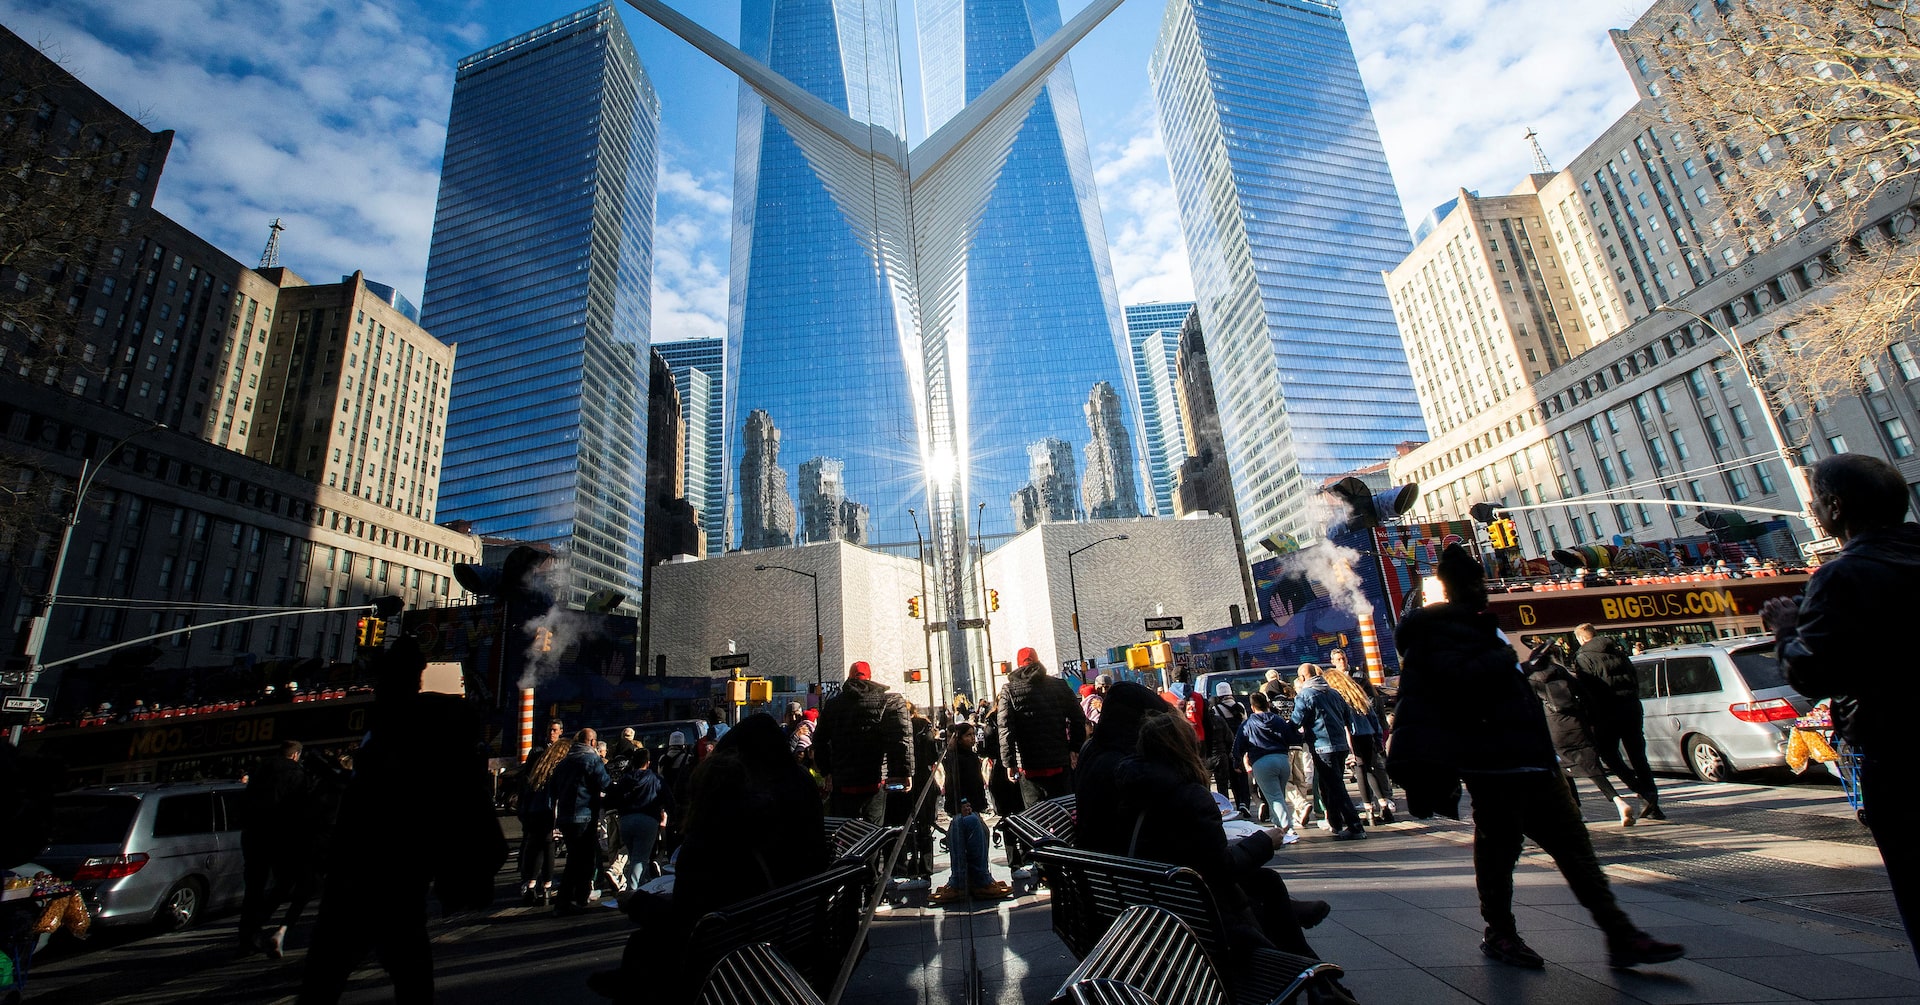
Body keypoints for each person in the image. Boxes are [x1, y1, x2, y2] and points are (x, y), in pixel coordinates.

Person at [1388, 543, 1683, 971]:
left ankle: (1620, 933)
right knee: (1498, 855)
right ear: (1453, 589)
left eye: (1480, 582)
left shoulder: (1483, 629)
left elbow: (1491, 683)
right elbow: (1454, 686)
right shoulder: (1435, 636)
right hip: (1493, 767)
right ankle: (1501, 933)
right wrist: (1503, 661)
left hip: (1535, 761)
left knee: (1576, 852)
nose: (1481, 590)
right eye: (1472, 584)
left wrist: (1521, 670)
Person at [1764, 453, 1920, 967]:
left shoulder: (1842, 577)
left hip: (1899, 757)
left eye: (1815, 503)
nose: (1813, 512)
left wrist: (1787, 628)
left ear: (1835, 507)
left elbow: (1812, 675)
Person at [299, 641, 506, 1004]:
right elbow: (466, 800)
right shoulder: (429, 729)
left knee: (334, 969)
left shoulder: (399, 731)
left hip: (368, 870)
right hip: (397, 871)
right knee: (404, 968)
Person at [1103, 715, 1354, 1003]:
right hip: (1199, 913)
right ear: (1184, 748)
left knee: (1267, 884)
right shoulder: (1188, 796)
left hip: (1160, 898)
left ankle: (1317, 975)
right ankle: (1315, 977)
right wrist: (1263, 842)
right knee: (1267, 889)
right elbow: (1221, 868)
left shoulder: (1133, 789)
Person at [592, 714, 830, 1004]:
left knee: (644, 943)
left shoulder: (716, 842)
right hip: (794, 922)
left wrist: (637, 902)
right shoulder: (792, 790)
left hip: (734, 949)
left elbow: (690, 917)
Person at [1525, 638, 1637, 827]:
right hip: (1578, 725)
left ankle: (1577, 810)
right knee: (1593, 767)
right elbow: (1586, 696)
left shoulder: (1532, 679)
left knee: (1564, 769)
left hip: (1555, 730)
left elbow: (1532, 710)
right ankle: (1618, 801)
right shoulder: (1562, 672)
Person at [1572, 622, 1662, 819]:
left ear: (1581, 639)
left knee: (1609, 755)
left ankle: (1640, 790)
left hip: (1606, 712)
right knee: (1639, 756)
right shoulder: (1618, 651)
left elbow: (1588, 691)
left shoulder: (1583, 657)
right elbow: (1634, 678)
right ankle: (1653, 803)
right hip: (1631, 707)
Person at [238, 739, 314, 958]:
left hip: (253, 836)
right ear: (296, 755)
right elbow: (301, 808)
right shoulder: (297, 775)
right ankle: (261, 927)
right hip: (281, 837)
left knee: (253, 888)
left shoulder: (260, 771)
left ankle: (247, 937)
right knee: (284, 883)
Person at [813, 660, 913, 823]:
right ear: (869, 677)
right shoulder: (885, 702)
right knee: (872, 837)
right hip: (874, 784)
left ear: (849, 678)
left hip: (843, 784)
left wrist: (827, 772)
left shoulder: (832, 705)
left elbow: (819, 741)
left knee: (846, 836)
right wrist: (904, 772)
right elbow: (901, 738)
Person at [995, 647, 1089, 806]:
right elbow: (1078, 717)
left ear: (1019, 665)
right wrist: (1075, 748)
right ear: (1038, 661)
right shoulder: (1059, 685)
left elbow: (1005, 729)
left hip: (1028, 766)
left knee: (1036, 819)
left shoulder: (1009, 690)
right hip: (1059, 761)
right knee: (1063, 813)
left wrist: (1009, 763)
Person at [1292, 664, 1364, 840]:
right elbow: (1348, 718)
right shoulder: (1334, 693)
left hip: (1322, 745)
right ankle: (1335, 822)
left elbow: (1297, 720)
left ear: (1302, 678)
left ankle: (1355, 825)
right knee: (1329, 785)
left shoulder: (1306, 694)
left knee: (1335, 786)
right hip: (1340, 745)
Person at [548, 728, 611, 915]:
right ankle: (572, 899)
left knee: (575, 857)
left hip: (566, 816)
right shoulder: (591, 760)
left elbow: (553, 789)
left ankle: (574, 897)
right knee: (583, 858)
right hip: (585, 814)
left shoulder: (564, 762)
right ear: (592, 742)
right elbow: (604, 782)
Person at [1321, 664, 1392, 825]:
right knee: (1370, 769)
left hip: (1353, 737)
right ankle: (1384, 805)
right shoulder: (1357, 692)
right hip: (1368, 735)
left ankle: (1369, 811)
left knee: (1360, 771)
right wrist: (1379, 738)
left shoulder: (1337, 696)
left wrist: (1349, 747)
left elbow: (1344, 723)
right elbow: (1373, 717)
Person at [1233, 689, 1303, 839]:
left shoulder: (1248, 724)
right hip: (1282, 759)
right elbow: (1292, 736)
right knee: (1279, 794)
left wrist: (1236, 761)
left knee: (1274, 796)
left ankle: (1286, 828)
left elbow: (1239, 745)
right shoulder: (1278, 720)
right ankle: (1278, 824)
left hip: (1261, 762)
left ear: (1252, 707)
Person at [604, 746, 673, 892]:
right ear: (648, 763)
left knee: (633, 855)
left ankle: (641, 885)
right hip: (648, 819)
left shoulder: (625, 779)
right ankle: (633, 891)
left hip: (626, 820)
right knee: (640, 858)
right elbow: (668, 799)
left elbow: (614, 798)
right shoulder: (655, 779)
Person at [1210, 682, 1253, 814]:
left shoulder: (1216, 710)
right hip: (1241, 746)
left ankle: (1227, 807)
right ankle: (1244, 802)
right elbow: (1245, 724)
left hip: (1225, 748)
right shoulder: (1239, 706)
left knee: (1226, 779)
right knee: (1242, 776)